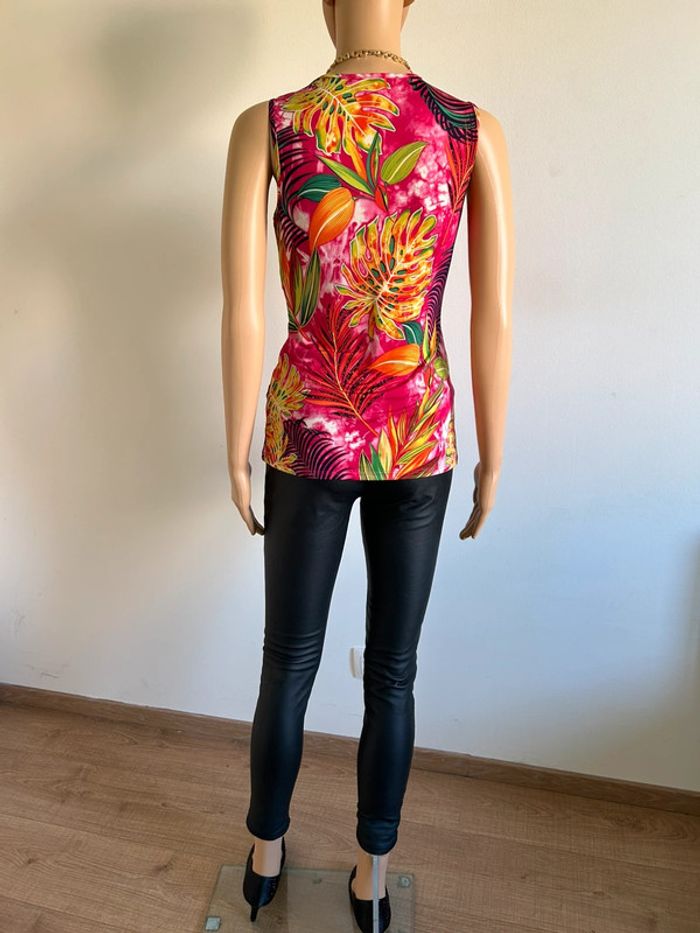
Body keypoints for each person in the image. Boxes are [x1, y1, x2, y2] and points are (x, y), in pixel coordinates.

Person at [220, 0, 513, 928]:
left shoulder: (272, 124)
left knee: (289, 661)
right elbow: (494, 314)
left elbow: (241, 308)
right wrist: (493, 454)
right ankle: (371, 874)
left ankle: (267, 853)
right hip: (419, 434)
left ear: (324, 5)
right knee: (392, 668)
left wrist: (235, 447)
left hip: (307, 428)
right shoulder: (466, 127)